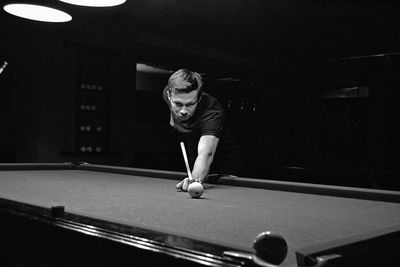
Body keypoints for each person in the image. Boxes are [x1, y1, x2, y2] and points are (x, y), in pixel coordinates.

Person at [163, 69, 240, 191]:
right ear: (168, 95)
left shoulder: (212, 112)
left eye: (190, 104)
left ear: (199, 100)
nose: (183, 111)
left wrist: (193, 181)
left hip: (223, 165)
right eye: (178, 104)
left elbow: (206, 152)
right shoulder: (168, 93)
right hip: (195, 153)